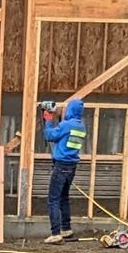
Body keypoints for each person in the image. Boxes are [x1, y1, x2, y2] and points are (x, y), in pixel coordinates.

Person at [40, 95, 86, 241]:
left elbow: (49, 136)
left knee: (53, 199)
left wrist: (48, 120)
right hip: (72, 166)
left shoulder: (66, 125)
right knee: (64, 197)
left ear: (71, 110)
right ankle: (66, 229)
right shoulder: (80, 125)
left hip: (61, 166)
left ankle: (55, 234)